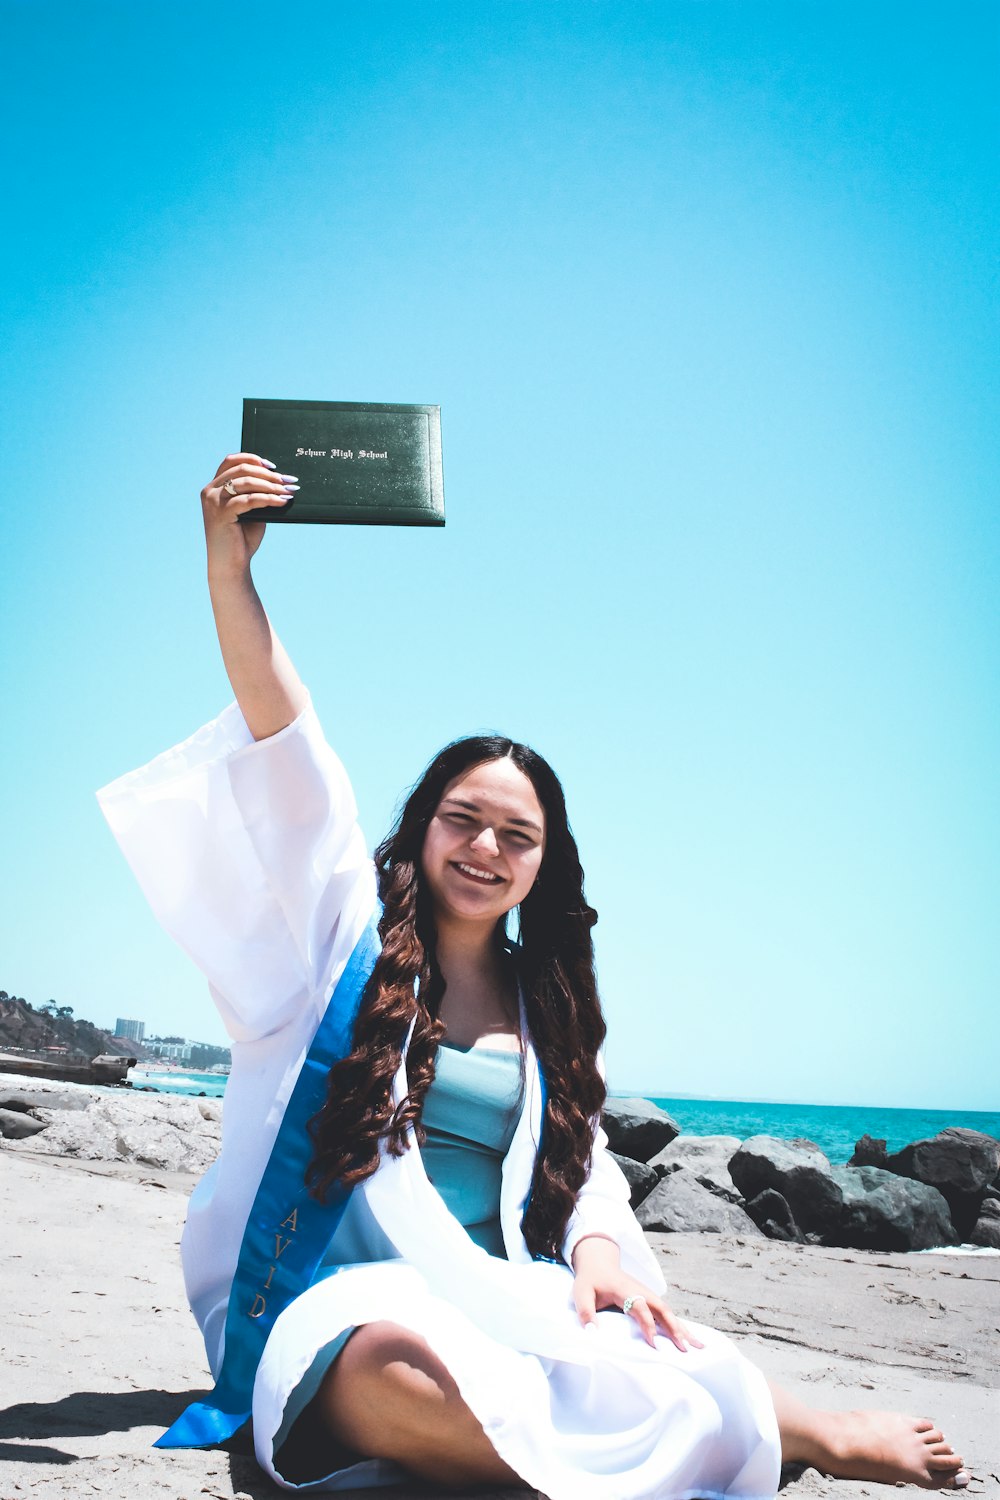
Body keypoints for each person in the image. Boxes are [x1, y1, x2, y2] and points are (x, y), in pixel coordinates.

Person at [97, 452, 970, 1497]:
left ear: (541, 863)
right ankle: (670, 1454)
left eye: (517, 834)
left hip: (512, 1293)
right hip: (350, 1294)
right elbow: (291, 750)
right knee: (396, 1375)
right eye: (462, 820)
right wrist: (229, 577)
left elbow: (585, 1162)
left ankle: (803, 1429)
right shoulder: (340, 949)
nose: (485, 847)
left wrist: (599, 1248)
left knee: (665, 1355)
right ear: (420, 830)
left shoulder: (538, 1004)